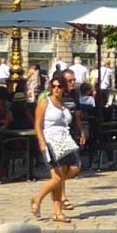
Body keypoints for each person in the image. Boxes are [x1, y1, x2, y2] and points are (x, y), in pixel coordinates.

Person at [30, 71, 84, 222]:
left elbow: (73, 119)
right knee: (57, 177)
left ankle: (54, 209)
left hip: (65, 140)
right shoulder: (45, 102)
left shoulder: (64, 103)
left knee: (74, 168)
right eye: (53, 86)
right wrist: (41, 142)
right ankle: (43, 202)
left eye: (59, 86)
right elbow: (38, 124)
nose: (56, 89)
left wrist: (80, 131)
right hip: (51, 141)